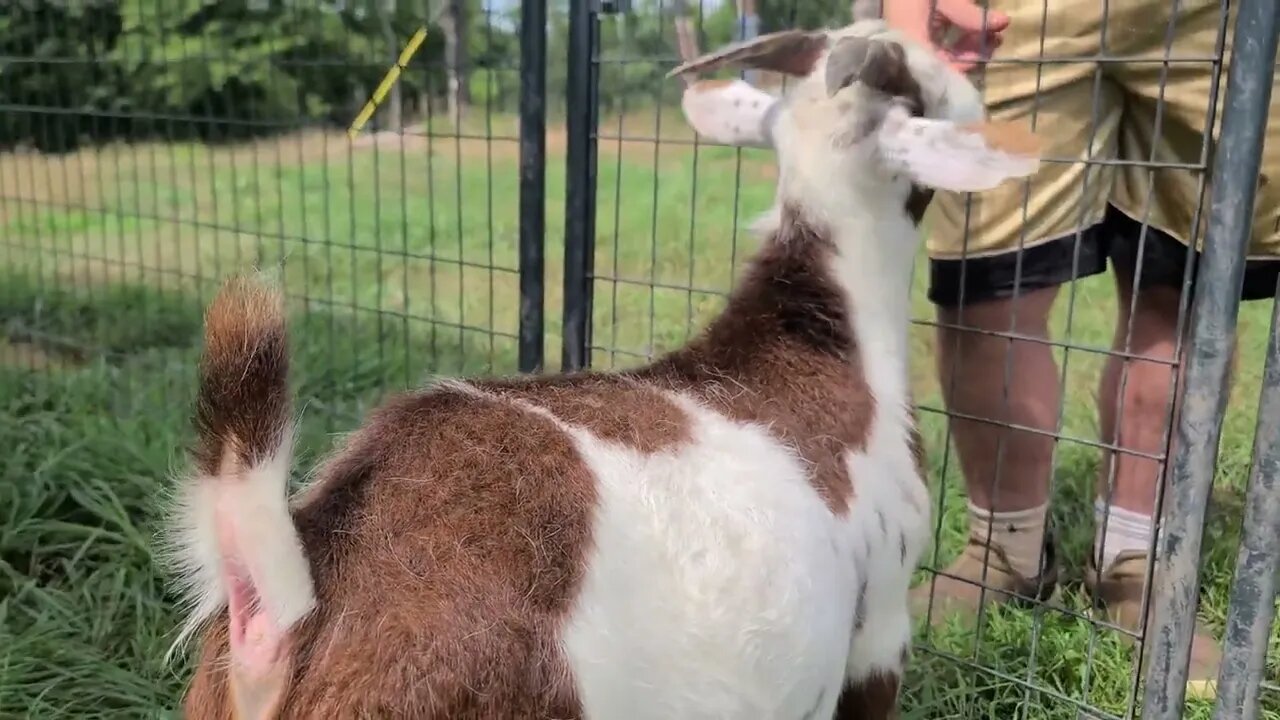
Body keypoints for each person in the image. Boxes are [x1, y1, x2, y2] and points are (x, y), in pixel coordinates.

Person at [884, 0, 1280, 700]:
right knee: (984, 279)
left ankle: (1134, 555)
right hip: (1011, 13)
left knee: (1182, 279)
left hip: (1221, 15)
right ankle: (1004, 552)